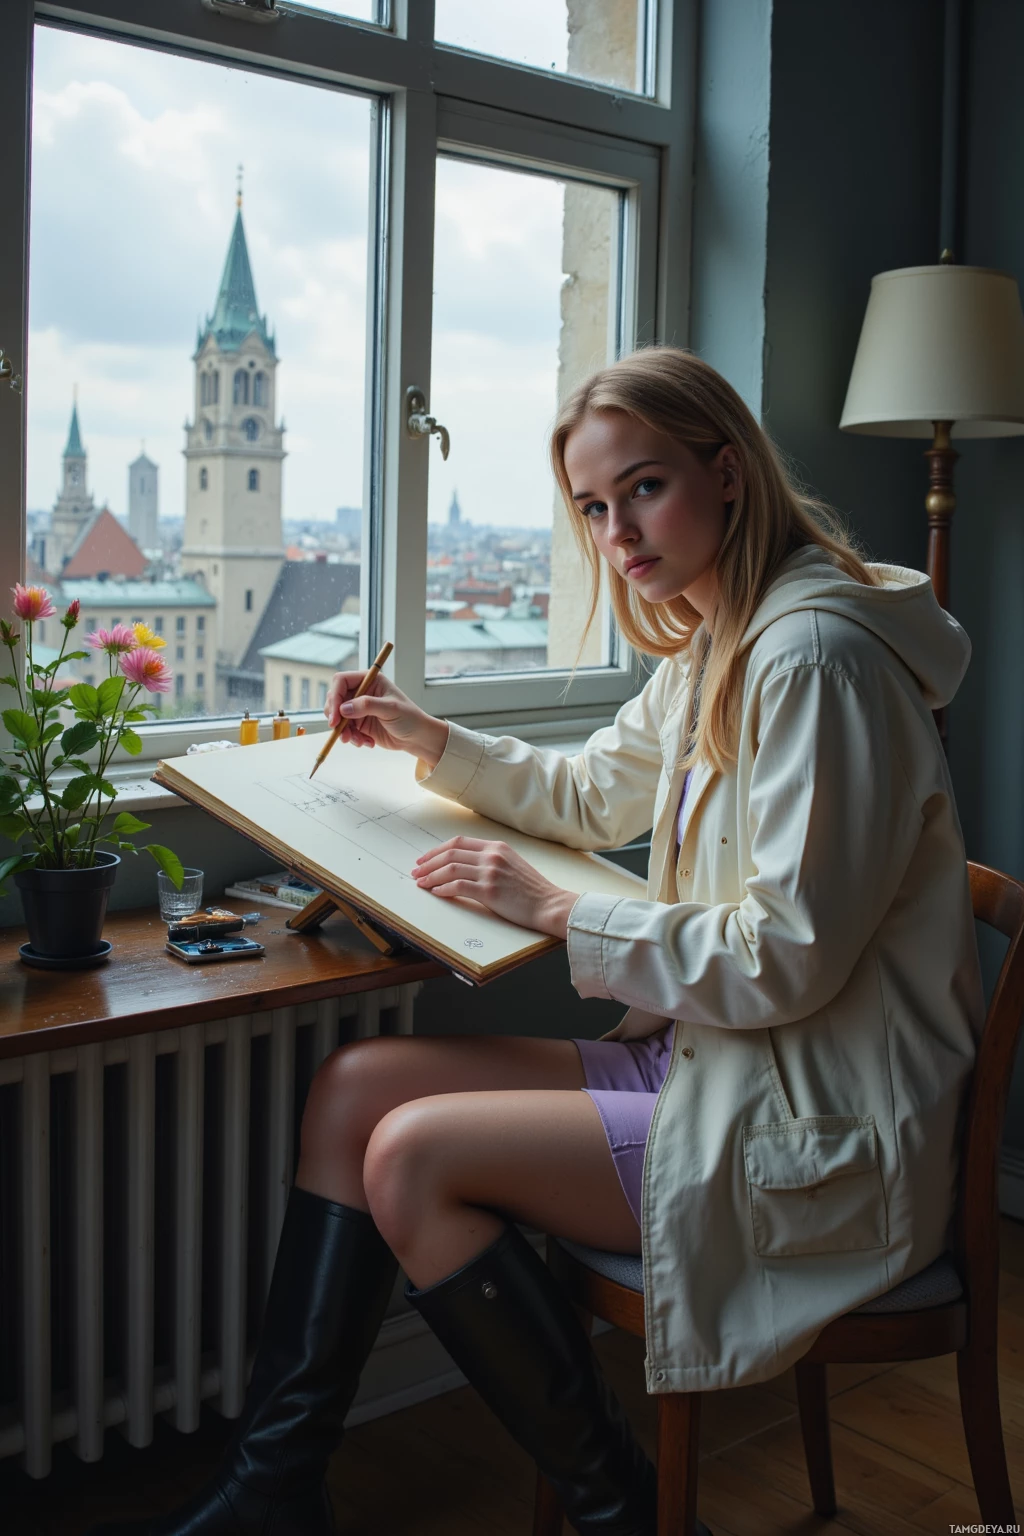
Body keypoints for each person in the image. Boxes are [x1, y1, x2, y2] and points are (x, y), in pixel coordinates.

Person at [90, 348, 982, 1536]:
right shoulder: (721, 639)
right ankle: (274, 1490)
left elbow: (787, 956)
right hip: (719, 1060)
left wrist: (562, 909)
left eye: (644, 489)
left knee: (410, 1156)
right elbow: (588, 793)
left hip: (813, 1118)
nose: (619, 532)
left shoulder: (813, 660)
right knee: (356, 1086)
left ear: (727, 472)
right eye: (594, 508)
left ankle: (627, 1515)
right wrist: (427, 737)